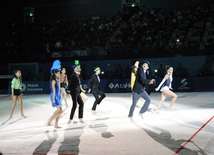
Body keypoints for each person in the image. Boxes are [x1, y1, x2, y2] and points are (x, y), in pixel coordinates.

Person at [47, 60, 63, 128]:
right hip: (54, 96)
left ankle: (56, 124)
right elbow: (53, 91)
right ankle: (50, 119)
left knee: (61, 110)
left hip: (58, 96)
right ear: (55, 73)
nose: (60, 74)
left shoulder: (57, 80)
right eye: (59, 73)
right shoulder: (53, 81)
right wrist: (53, 99)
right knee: (59, 109)